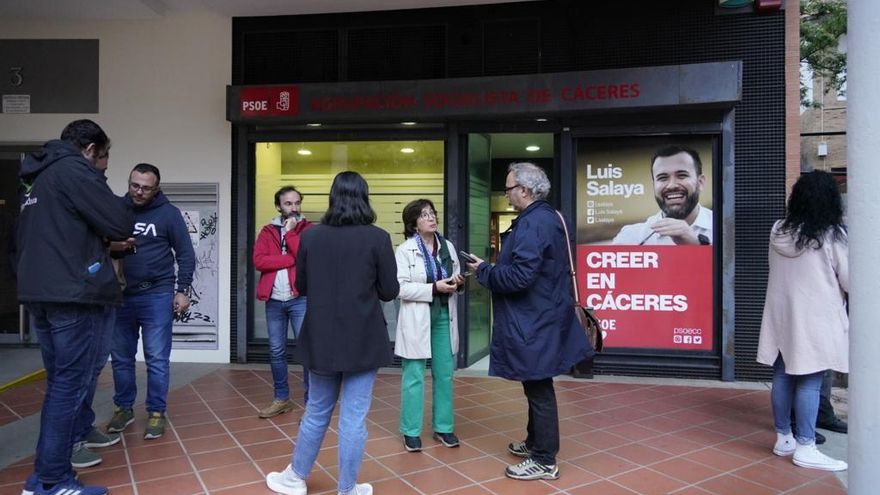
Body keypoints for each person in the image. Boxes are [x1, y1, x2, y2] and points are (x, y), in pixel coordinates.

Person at [16, 119, 133, 495]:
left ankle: (42, 478)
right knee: (70, 386)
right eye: (102, 159)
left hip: (40, 292)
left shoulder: (38, 175)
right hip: (72, 294)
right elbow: (118, 221)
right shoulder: (74, 170)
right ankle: (52, 480)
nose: (103, 168)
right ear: (88, 149)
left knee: (60, 385)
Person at [265, 171, 399, 495]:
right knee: (354, 418)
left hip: (321, 337)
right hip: (364, 339)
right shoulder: (378, 238)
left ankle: (295, 477)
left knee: (317, 410)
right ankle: (347, 488)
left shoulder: (311, 237)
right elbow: (389, 290)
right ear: (364, 198)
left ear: (332, 198)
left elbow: (302, 285)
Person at [464, 162, 592, 481]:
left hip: (535, 320)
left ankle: (545, 460)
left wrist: (485, 271)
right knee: (536, 381)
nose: (506, 195)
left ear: (524, 190)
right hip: (545, 315)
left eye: (508, 189)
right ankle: (535, 442)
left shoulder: (534, 223)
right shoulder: (550, 217)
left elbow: (520, 276)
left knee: (539, 386)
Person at [757, 170, 848, 472]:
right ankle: (806, 445)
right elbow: (849, 280)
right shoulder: (832, 234)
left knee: (782, 374)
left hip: (782, 315)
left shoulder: (778, 230)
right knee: (810, 380)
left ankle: (784, 437)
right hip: (816, 318)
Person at [107, 163, 196, 440]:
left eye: (146, 187)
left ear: (156, 188)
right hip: (120, 294)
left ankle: (156, 412)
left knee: (157, 358)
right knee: (121, 358)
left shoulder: (169, 214)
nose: (139, 191)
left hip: (156, 293)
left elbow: (185, 254)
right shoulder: (115, 208)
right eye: (135, 185)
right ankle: (123, 408)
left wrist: (182, 291)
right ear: (129, 182)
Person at [394, 199, 465, 453]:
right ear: (414, 223)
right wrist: (433, 287)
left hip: (444, 315)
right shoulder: (405, 250)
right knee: (413, 374)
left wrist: (458, 282)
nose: (431, 218)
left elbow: (456, 274)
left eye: (432, 213)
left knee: (444, 373)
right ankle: (411, 431)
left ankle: (443, 427)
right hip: (417, 317)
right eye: (424, 215)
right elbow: (399, 288)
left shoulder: (447, 246)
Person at [253, 186, 313, 418]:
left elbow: (306, 258)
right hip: (275, 300)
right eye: (288, 204)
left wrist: (290, 234)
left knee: (307, 350)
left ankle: (311, 402)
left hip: (299, 298)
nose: (294, 208)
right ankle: (281, 399)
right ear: (279, 206)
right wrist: (289, 258)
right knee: (276, 351)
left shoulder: (308, 230)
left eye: (297, 202)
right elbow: (259, 261)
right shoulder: (267, 231)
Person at [612, 145, 713, 245]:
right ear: (654, 186)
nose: (671, 185)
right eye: (662, 178)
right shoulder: (632, 237)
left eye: (682, 175)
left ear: (700, 182)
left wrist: (697, 246)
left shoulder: (725, 229)